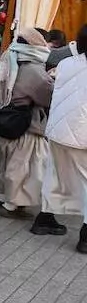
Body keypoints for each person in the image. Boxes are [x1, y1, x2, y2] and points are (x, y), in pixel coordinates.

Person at [0, 29, 54, 220]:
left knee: (7, 165)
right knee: (23, 169)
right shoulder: (34, 70)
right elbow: (47, 96)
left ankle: (2, 196)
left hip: (7, 121)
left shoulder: (10, 61)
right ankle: (12, 205)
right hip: (27, 126)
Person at [39, 24, 87, 252]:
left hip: (57, 130)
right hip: (81, 133)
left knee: (54, 174)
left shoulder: (67, 64)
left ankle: (44, 218)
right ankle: (85, 236)